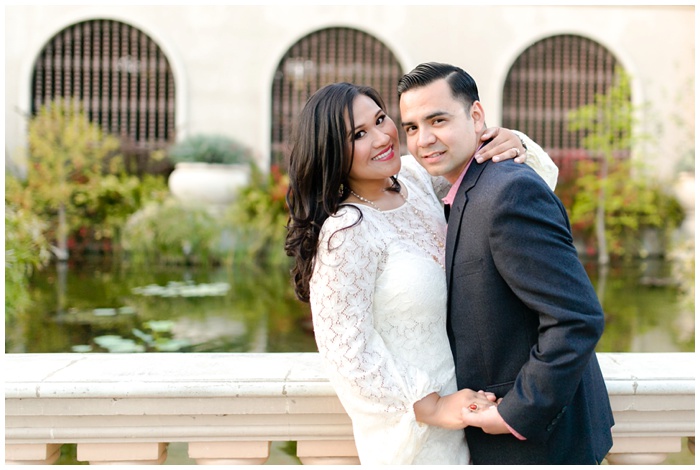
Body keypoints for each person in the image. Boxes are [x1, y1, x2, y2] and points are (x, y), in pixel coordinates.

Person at [285, 81, 557, 464]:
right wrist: (431, 407)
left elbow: (523, 187)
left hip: (471, 409)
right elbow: (346, 351)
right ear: (332, 152)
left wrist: (511, 142)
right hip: (417, 431)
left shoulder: (414, 179)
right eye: (359, 135)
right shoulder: (346, 231)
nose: (382, 137)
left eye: (381, 119)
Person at [397, 62, 614, 465]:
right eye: (411, 127)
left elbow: (576, 317)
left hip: (539, 442)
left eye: (438, 120)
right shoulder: (461, 186)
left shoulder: (508, 192)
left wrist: (516, 413)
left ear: (476, 116)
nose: (424, 139)